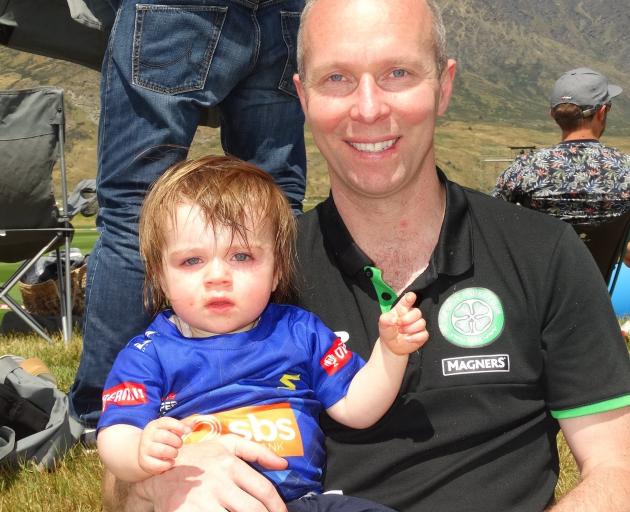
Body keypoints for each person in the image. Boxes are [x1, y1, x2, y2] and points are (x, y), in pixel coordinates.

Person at [103, 0, 630, 511]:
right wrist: (165, 484)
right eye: (337, 78)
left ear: (443, 87)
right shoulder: (249, 270)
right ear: (302, 99)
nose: (369, 108)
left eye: (398, 72)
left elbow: (619, 469)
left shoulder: (541, 252)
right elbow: (120, 472)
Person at [97, 155, 428, 511]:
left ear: (276, 272)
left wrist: (390, 353)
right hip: (198, 498)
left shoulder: (300, 331)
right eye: (192, 260)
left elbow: (356, 407)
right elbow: (115, 433)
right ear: (160, 277)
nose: (217, 276)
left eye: (240, 256)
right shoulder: (148, 353)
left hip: (300, 502)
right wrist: (140, 452)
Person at [69, 0, 308, 432]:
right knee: (278, 206)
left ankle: (109, 414)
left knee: (134, 211)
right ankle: (281, 391)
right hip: (282, 13)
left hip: (173, 10)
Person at [493, 67, 629, 223]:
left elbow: (490, 219)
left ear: (553, 114)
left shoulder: (523, 169)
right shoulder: (626, 168)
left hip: (541, 247)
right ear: (602, 112)